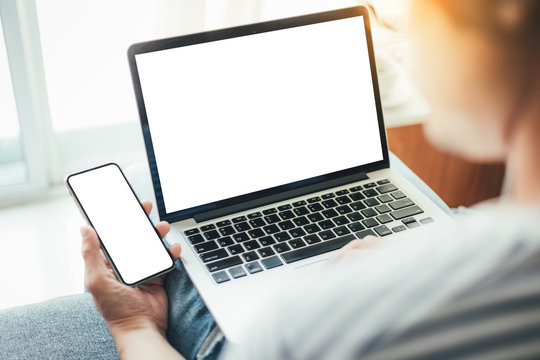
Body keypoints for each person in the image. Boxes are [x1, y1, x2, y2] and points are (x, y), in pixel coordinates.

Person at [1, 0, 539, 358]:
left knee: (162, 203)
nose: (403, 37)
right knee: (167, 200)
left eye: (415, 11)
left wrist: (132, 325)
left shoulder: (305, 324)